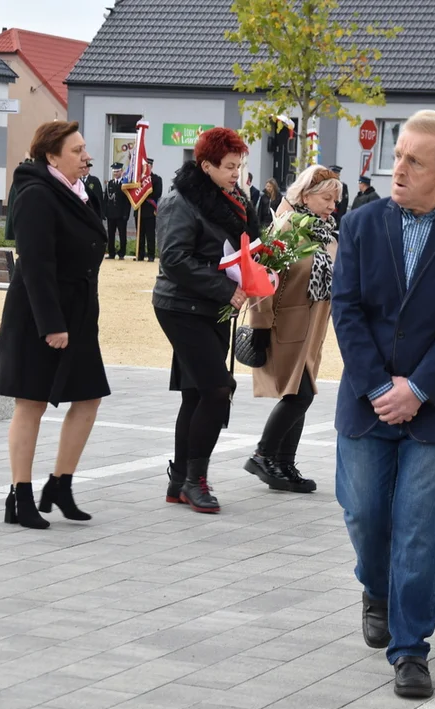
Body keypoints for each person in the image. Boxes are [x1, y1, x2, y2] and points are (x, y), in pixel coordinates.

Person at [332, 109, 435, 698]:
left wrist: (418, 389)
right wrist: (381, 388)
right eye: (397, 154)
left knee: (418, 530)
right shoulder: (360, 224)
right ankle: (374, 588)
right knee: (364, 514)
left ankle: (411, 650)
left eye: (412, 161)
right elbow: (346, 311)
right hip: (366, 401)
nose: (396, 168)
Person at [0, 120, 110, 530]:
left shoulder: (79, 191)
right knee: (32, 402)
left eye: (84, 149)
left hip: (77, 311)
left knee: (89, 396)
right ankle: (19, 494)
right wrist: (52, 324)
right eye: (76, 151)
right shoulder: (37, 194)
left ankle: (60, 483)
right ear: (51, 156)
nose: (86, 157)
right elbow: (36, 265)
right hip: (40, 314)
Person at [153, 127, 260, 513]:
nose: (236, 173)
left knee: (196, 393)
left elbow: (241, 245)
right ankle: (195, 480)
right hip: (181, 306)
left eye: (239, 166)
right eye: (229, 166)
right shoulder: (180, 201)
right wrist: (224, 288)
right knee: (217, 390)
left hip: (211, 306)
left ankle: (180, 479)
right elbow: (175, 259)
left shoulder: (228, 198)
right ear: (206, 165)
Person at [244, 165, 341, 493]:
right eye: (327, 198)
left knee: (303, 392)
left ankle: (284, 463)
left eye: (335, 199)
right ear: (305, 195)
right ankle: (263, 455)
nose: (332, 205)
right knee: (298, 394)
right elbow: (261, 276)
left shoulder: (324, 230)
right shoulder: (288, 226)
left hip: (312, 328)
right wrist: (259, 325)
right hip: (286, 322)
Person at [137, 158, 163, 262]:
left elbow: (157, 193)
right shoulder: (138, 179)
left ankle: (151, 255)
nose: (146, 168)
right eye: (144, 166)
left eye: (148, 166)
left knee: (150, 234)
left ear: (151, 167)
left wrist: (145, 193)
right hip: (139, 210)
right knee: (140, 234)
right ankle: (140, 255)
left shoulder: (156, 179)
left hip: (150, 210)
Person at [105, 162, 131, 259]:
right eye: (114, 171)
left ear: (121, 171)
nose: (116, 173)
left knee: (122, 235)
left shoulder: (125, 184)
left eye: (117, 171)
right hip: (111, 214)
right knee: (111, 235)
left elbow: (127, 201)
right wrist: (105, 212)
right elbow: (106, 199)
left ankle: (121, 253)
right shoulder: (110, 184)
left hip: (121, 215)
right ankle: (111, 253)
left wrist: (126, 214)